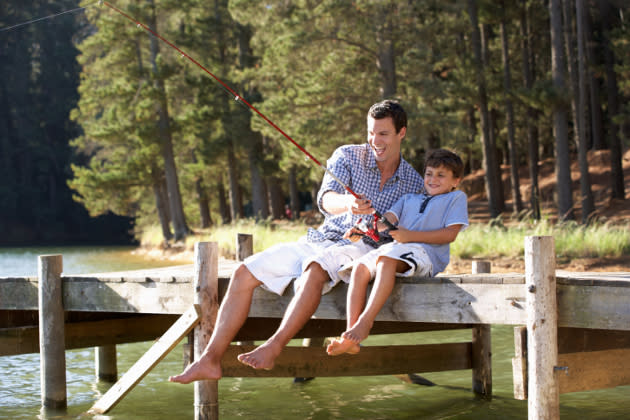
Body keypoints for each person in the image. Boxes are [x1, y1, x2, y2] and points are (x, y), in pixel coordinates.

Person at [169, 99, 423, 382]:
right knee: (243, 272)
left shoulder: (414, 182)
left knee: (314, 269)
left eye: (383, 134)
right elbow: (326, 200)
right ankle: (210, 360)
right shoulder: (347, 156)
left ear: (402, 133)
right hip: (321, 238)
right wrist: (348, 203)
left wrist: (380, 227)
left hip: (360, 250)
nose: (375, 140)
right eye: (370, 132)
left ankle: (274, 347)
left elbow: (404, 234)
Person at [326, 148, 468, 356]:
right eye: (429, 173)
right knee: (359, 269)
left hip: (425, 253)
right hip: (397, 248)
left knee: (385, 261)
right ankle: (350, 334)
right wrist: (363, 230)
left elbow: (450, 234)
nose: (432, 179)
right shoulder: (409, 199)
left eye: (441, 175)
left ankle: (365, 323)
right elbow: (386, 223)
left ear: (456, 180)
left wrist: (410, 236)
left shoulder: (456, 198)